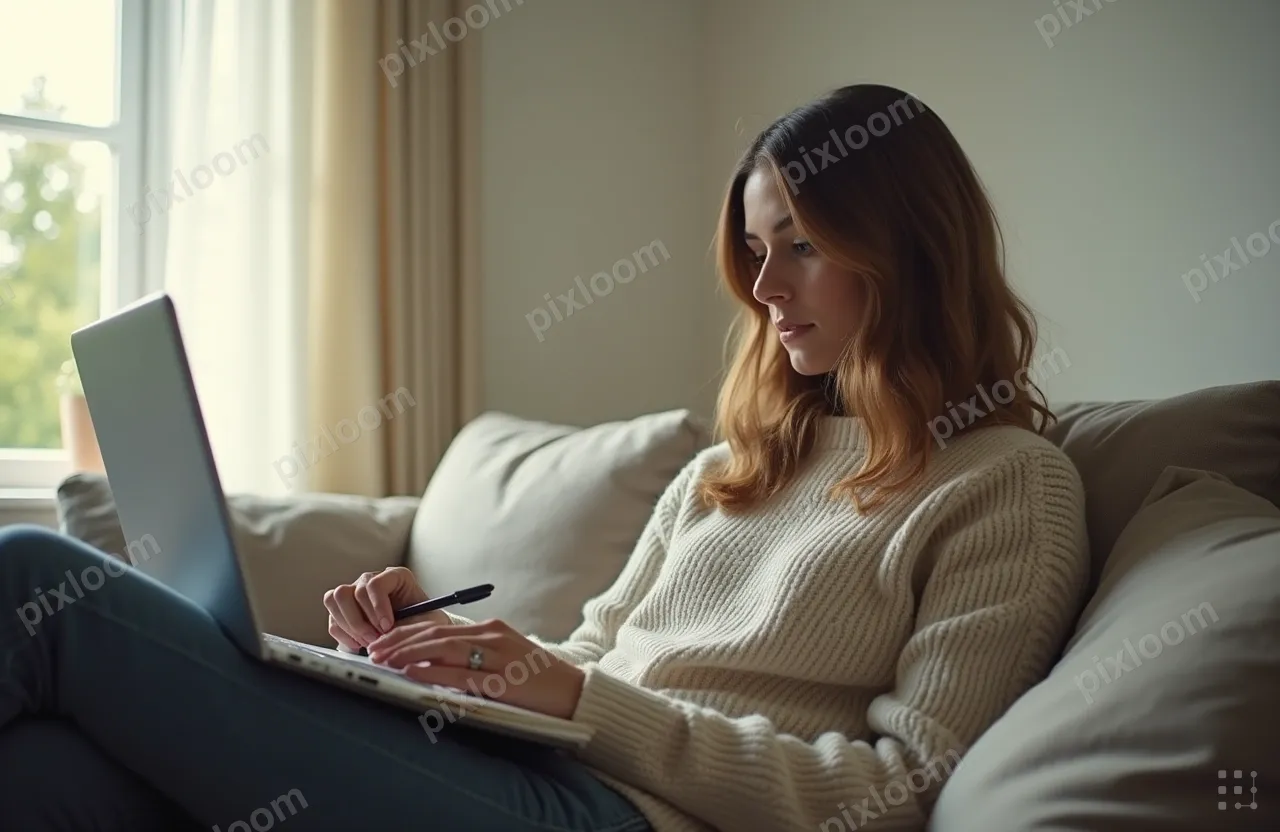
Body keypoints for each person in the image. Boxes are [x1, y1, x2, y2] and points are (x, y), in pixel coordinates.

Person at [0, 84, 1089, 832]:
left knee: (43, 578)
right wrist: (442, 651)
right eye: (756, 253)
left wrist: (579, 704)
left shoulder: (1003, 485)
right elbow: (594, 655)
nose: (764, 291)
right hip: (522, 770)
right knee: (45, 774)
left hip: (615, 816)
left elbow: (895, 794)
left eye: (799, 245)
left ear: (906, 244)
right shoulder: (732, 466)